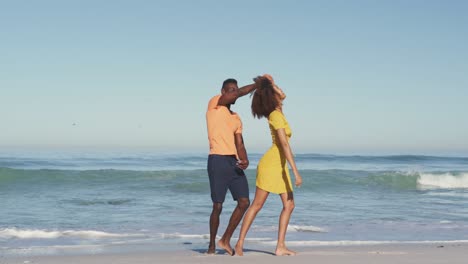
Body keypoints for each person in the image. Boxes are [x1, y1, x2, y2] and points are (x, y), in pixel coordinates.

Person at [235, 75, 303, 256]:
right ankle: (240, 242)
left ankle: (280, 246)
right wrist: (296, 172)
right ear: (272, 97)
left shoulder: (277, 112)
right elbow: (284, 145)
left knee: (289, 205)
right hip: (272, 165)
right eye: (275, 93)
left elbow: (283, 95)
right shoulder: (276, 116)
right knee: (257, 205)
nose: (280, 95)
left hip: (279, 165)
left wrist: (271, 84)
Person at [205, 78, 257, 255]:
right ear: (223, 92)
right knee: (217, 206)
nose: (234, 92)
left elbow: (240, 143)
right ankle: (211, 246)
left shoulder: (236, 118)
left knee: (244, 202)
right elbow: (240, 93)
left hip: (233, 163)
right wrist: (259, 83)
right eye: (231, 90)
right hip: (217, 160)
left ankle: (225, 239)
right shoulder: (215, 104)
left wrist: (245, 160)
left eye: (236, 89)